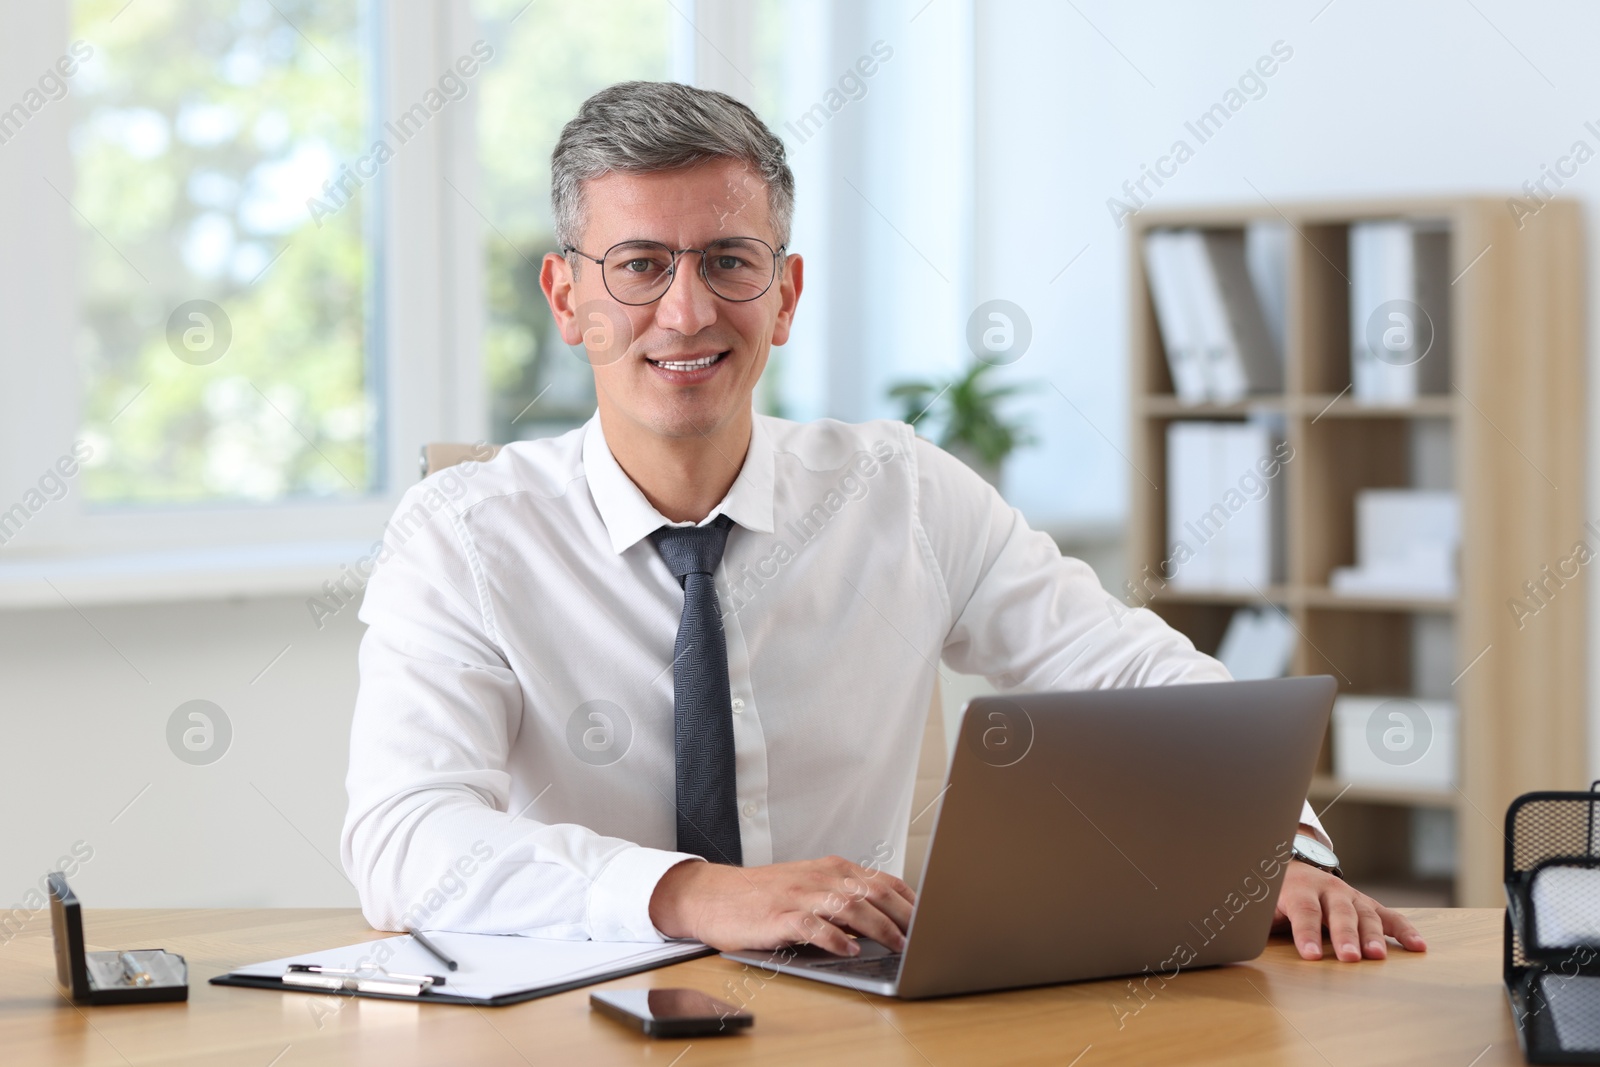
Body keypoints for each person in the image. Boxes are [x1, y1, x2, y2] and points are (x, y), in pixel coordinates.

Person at [341, 80, 1425, 965]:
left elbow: (1142, 677)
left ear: (785, 292)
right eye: (638, 266)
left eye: (729, 260)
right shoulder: (460, 536)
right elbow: (403, 839)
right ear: (566, 297)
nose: (686, 311)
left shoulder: (900, 490)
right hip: (568, 1021)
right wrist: (694, 895)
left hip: (857, 1013)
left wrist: (1269, 846)